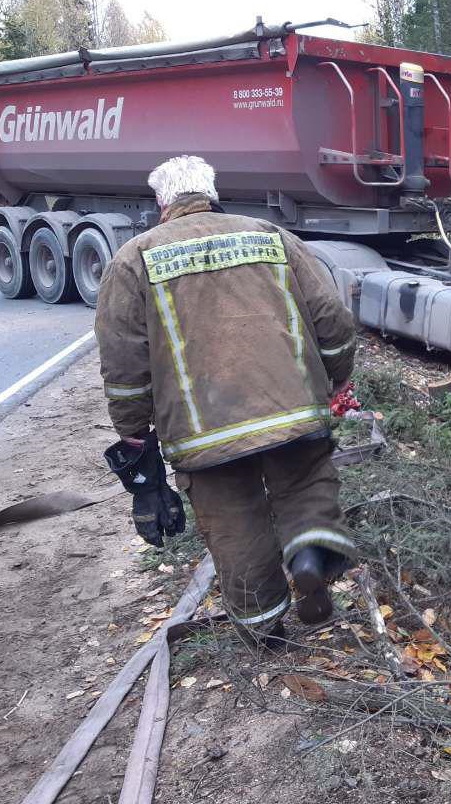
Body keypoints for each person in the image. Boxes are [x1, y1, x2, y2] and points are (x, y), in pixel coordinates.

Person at [96, 155, 358, 648]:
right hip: (294, 409)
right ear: (212, 192)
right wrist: (334, 380)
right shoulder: (272, 237)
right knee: (306, 486)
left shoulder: (132, 259)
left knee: (234, 521)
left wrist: (132, 429)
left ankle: (265, 629)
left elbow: (123, 360)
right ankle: (309, 556)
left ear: (161, 203)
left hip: (202, 432)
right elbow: (331, 318)